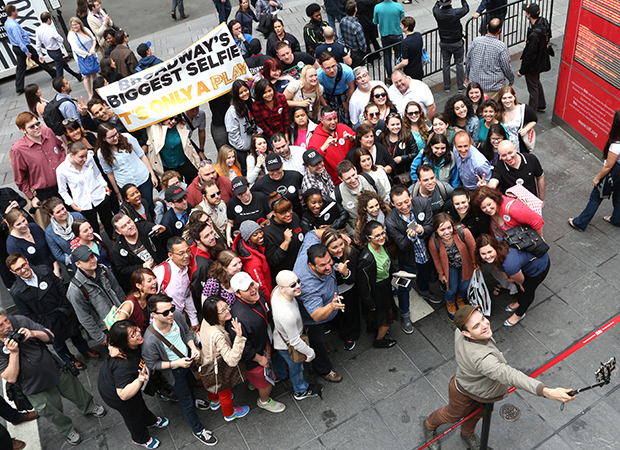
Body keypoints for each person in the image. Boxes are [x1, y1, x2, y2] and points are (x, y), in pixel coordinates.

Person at [423, 305, 574, 450]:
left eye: (482, 318)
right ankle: (429, 425)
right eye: (476, 326)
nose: (484, 325)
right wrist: (547, 391)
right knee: (453, 415)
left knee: (478, 414)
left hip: (482, 391)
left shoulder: (461, 330)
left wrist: (495, 356)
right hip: (463, 392)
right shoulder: (483, 359)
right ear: (466, 334)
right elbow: (511, 375)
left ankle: (467, 434)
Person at [0, 308, 106, 446]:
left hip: (54, 369)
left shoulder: (19, 321)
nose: (7, 326)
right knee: (51, 412)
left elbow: (50, 336)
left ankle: (89, 406)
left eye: (6, 320)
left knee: (75, 390)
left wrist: (33, 333)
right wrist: (14, 353)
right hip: (34, 387)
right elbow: (10, 377)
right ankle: (67, 430)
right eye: (1, 325)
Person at [142, 294, 218, 445]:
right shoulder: (150, 340)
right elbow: (152, 364)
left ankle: (194, 399)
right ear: (154, 315)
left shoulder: (176, 316)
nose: (170, 314)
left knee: (191, 386)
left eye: (171, 308)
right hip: (175, 372)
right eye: (165, 312)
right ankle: (198, 429)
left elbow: (185, 332)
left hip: (187, 363)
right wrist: (175, 363)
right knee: (186, 402)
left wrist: (193, 348)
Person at [7, 253, 99, 370]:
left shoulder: (44, 270)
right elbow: (27, 313)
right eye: (18, 269)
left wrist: (66, 305)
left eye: (23, 265)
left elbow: (60, 286)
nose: (23, 270)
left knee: (75, 333)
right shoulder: (17, 292)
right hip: (47, 320)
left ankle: (84, 349)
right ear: (12, 272)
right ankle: (69, 360)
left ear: (27, 261)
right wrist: (41, 324)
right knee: (58, 344)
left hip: (63, 311)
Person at [98, 320, 168, 449]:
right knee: (133, 416)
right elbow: (123, 395)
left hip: (129, 385)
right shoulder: (122, 365)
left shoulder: (131, 347)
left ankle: (150, 421)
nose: (137, 333)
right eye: (132, 334)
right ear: (124, 342)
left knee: (138, 404)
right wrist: (139, 380)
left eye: (135, 329)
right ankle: (140, 439)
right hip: (116, 395)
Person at [227, 272, 287, 412]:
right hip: (252, 357)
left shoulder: (257, 294)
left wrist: (266, 343)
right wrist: (259, 359)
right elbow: (242, 349)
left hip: (262, 344)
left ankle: (254, 383)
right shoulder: (239, 318)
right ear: (238, 294)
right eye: (247, 288)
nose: (253, 289)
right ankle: (264, 400)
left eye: (252, 284)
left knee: (259, 378)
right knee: (266, 382)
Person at [385, 185, 437, 334]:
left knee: (424, 273)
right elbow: (401, 245)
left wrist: (422, 230)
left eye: (407, 201)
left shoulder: (422, 203)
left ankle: (424, 290)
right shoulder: (391, 221)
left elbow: (430, 224)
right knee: (404, 287)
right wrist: (410, 237)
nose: (405, 206)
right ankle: (405, 314)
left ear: (410, 197)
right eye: (399, 204)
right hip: (408, 258)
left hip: (425, 252)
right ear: (393, 204)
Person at [293, 242, 344, 382]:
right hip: (312, 320)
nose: (328, 267)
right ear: (311, 266)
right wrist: (331, 306)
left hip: (327, 305)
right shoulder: (308, 286)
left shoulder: (309, 249)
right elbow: (316, 315)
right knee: (317, 342)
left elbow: (313, 233)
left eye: (329, 261)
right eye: (323, 265)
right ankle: (324, 369)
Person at [476, 233, 549, 326]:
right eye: (483, 253)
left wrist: (521, 284)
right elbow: (500, 263)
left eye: (489, 252)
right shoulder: (498, 242)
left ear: (495, 248)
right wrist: (507, 277)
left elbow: (520, 279)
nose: (487, 256)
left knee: (527, 292)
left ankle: (519, 313)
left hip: (538, 268)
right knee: (521, 289)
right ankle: (519, 302)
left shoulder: (510, 265)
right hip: (524, 264)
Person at [271, 270, 322, 398]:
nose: (298, 286)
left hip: (278, 337)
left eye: (298, 281)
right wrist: (310, 353)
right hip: (286, 345)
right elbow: (295, 342)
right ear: (282, 289)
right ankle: (300, 390)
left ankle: (280, 375)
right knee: (296, 368)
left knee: (279, 360)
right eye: (293, 285)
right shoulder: (287, 315)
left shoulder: (276, 291)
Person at [200, 297, 251, 420]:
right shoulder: (217, 335)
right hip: (218, 367)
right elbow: (232, 360)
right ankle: (229, 414)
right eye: (223, 311)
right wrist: (239, 337)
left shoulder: (206, 321)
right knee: (225, 392)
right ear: (214, 315)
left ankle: (214, 401)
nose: (228, 310)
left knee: (212, 383)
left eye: (226, 306)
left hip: (206, 360)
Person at [569, 110, 620, 230]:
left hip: (614, 173)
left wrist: (598, 178)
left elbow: (608, 166)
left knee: (596, 197)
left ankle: (580, 223)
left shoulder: (616, 146)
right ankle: (617, 219)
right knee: (618, 197)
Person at [67, 245, 125, 345]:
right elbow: (84, 317)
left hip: (122, 316)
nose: (92, 261)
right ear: (78, 264)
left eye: (92, 256)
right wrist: (101, 337)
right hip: (106, 329)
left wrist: (127, 310)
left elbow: (118, 290)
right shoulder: (75, 289)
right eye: (86, 260)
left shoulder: (104, 270)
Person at [96, 122, 158, 215]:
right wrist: (117, 192)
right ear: (104, 139)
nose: (115, 137)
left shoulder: (127, 138)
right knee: (135, 210)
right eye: (111, 137)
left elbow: (142, 155)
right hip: (125, 183)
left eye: (116, 134)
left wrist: (152, 174)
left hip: (142, 177)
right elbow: (109, 173)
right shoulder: (101, 153)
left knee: (148, 206)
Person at [57, 141, 114, 238]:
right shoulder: (62, 169)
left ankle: (115, 245)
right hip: (83, 204)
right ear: (72, 155)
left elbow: (97, 174)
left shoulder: (90, 159)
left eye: (86, 155)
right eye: (81, 157)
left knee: (109, 223)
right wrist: (74, 206)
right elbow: (62, 191)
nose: (85, 159)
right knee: (92, 230)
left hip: (99, 196)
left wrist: (106, 188)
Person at [357, 220, 399, 347]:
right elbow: (363, 285)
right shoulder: (366, 259)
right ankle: (379, 340)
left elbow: (389, 261)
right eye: (377, 236)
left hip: (385, 285)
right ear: (368, 238)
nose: (381, 237)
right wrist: (369, 303)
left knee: (379, 315)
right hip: (377, 290)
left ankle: (375, 328)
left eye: (382, 233)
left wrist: (397, 272)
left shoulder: (382, 246)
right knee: (386, 316)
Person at [11, 112, 66, 209]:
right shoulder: (18, 149)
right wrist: (31, 197)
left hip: (67, 182)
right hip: (47, 193)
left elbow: (60, 148)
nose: (37, 127)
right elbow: (20, 178)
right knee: (61, 218)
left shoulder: (48, 131)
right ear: (23, 130)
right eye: (31, 127)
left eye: (38, 123)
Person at [428, 213, 476, 321]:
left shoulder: (463, 232)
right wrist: (441, 274)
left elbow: (473, 248)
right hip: (450, 267)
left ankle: (459, 299)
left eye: (449, 227)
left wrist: (475, 263)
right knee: (451, 288)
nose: (447, 232)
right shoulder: (433, 242)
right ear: (436, 230)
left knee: (464, 285)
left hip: (466, 264)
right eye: (442, 230)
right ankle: (450, 302)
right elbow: (436, 259)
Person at [4, 4, 56, 95]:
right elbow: (19, 39)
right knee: (39, 59)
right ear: (12, 12)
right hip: (23, 47)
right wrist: (26, 52)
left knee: (20, 67)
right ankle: (53, 73)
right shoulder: (14, 25)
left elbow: (22, 32)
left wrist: (31, 34)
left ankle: (19, 87)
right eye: (16, 10)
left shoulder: (8, 22)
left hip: (16, 47)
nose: (17, 12)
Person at [153, 236, 200, 331]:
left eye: (188, 251)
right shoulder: (161, 271)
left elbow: (187, 296)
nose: (186, 255)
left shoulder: (186, 269)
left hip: (180, 317)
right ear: (170, 255)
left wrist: (194, 320)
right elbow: (151, 299)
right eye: (181, 253)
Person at [112, 213, 168, 290]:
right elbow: (122, 270)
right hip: (147, 283)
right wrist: (141, 267)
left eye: (129, 222)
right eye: (124, 226)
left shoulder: (144, 227)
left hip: (164, 269)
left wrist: (164, 231)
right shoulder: (118, 248)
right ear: (118, 232)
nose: (129, 226)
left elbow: (166, 237)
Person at [464, 18, 514, 100]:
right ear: (499, 30)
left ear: (487, 26)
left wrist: (467, 75)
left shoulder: (476, 41)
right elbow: (506, 66)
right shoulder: (501, 46)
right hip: (494, 87)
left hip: (476, 86)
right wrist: (511, 79)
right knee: (492, 110)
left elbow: (468, 59)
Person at [6, 209, 60, 278]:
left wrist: (56, 268)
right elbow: (25, 266)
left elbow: (49, 247)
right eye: (18, 224)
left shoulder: (34, 227)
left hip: (54, 267)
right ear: (12, 226)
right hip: (39, 275)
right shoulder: (12, 245)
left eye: (24, 221)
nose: (23, 225)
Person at [518, 3, 552, 113]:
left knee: (532, 88)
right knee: (536, 82)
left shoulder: (534, 35)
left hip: (534, 65)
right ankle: (541, 104)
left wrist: (522, 70)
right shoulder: (543, 22)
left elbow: (529, 55)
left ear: (529, 15)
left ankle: (532, 111)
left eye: (526, 12)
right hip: (542, 60)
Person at [308, 106, 356, 183]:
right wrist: (323, 148)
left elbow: (359, 140)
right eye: (329, 119)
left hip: (353, 174)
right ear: (321, 120)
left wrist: (354, 140)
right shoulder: (315, 139)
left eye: (335, 118)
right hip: (335, 181)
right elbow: (311, 160)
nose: (333, 122)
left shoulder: (344, 128)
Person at [146, 116, 200, 183]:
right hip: (167, 166)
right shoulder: (153, 128)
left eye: (176, 119)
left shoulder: (180, 126)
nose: (173, 121)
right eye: (171, 119)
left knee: (195, 181)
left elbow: (189, 145)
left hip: (183, 162)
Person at [433, 0, 469, 92]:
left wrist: (437, 2)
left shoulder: (437, 13)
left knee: (446, 64)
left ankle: (447, 86)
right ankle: (460, 86)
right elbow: (466, 9)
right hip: (456, 42)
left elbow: (435, 8)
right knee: (459, 63)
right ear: (450, 2)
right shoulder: (455, 13)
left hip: (444, 42)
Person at [331, 159, 378, 231]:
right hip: (360, 233)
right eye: (348, 178)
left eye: (353, 175)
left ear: (355, 169)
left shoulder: (370, 179)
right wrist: (354, 235)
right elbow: (340, 221)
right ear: (341, 179)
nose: (353, 180)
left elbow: (384, 197)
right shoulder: (336, 195)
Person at [225, 80, 260, 175]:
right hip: (242, 151)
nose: (245, 94)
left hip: (255, 144)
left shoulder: (251, 103)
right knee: (245, 172)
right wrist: (244, 146)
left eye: (246, 90)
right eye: (241, 92)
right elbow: (233, 133)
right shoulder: (232, 112)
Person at [36, 12, 83, 81]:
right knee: (59, 70)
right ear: (48, 19)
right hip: (56, 51)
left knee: (64, 65)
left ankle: (77, 76)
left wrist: (40, 55)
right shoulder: (51, 29)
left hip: (49, 51)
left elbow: (38, 44)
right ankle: (59, 84)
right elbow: (61, 39)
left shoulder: (38, 30)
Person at [233, 221, 272, 299]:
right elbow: (261, 287)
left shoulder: (256, 246)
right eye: (255, 235)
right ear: (248, 239)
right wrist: (271, 303)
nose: (260, 235)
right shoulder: (252, 262)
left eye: (260, 231)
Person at [42, 197, 85, 268]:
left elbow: (90, 232)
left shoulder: (77, 216)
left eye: (63, 208)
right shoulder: (50, 232)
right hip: (74, 263)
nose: (62, 212)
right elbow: (58, 254)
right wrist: (73, 260)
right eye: (58, 212)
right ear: (51, 215)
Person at [226, 177, 271, 245]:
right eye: (239, 194)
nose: (243, 195)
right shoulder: (232, 202)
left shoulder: (261, 197)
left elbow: (270, 217)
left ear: (249, 187)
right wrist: (228, 237)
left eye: (244, 191)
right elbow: (230, 222)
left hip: (262, 234)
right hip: (246, 239)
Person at [497, 86, 538, 153]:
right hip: (504, 146)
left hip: (519, 146)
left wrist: (525, 129)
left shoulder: (524, 109)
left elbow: (534, 120)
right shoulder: (498, 112)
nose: (507, 101)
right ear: (500, 99)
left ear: (514, 96)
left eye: (510, 97)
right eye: (504, 98)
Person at [317, 52, 355, 125]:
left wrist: (347, 103)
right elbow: (319, 93)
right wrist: (325, 106)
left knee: (347, 117)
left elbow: (351, 88)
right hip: (328, 94)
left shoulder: (347, 71)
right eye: (328, 68)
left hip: (344, 93)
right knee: (331, 119)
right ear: (322, 67)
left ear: (335, 62)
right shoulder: (318, 75)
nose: (332, 70)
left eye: (333, 66)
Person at [379, 112, 418, 181]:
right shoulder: (382, 137)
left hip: (404, 172)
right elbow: (380, 155)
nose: (396, 127)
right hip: (389, 174)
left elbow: (415, 153)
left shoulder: (407, 135)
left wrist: (402, 158)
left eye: (398, 124)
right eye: (392, 125)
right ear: (387, 125)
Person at [67, 17, 99, 99]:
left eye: (75, 24)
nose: (74, 27)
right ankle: (90, 94)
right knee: (86, 76)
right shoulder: (71, 35)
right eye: (72, 25)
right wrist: (86, 54)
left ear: (79, 24)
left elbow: (93, 39)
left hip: (92, 55)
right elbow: (75, 48)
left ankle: (96, 90)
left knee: (94, 73)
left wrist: (92, 49)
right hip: (83, 57)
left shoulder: (85, 29)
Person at [372, 0, 404, 79]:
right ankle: (399, 74)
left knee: (387, 56)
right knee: (399, 55)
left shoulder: (377, 7)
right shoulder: (398, 6)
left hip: (385, 35)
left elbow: (375, 21)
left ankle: (390, 76)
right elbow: (403, 19)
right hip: (397, 34)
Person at [121, 268, 158, 333]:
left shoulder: (148, 297)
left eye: (154, 278)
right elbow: (118, 325)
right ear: (138, 285)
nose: (154, 282)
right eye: (149, 281)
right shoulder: (129, 304)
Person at [339, 1, 367, 68]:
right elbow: (362, 43)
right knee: (358, 70)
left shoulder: (343, 20)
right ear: (355, 10)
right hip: (356, 52)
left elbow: (342, 34)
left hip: (348, 49)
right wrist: (364, 51)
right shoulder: (357, 26)